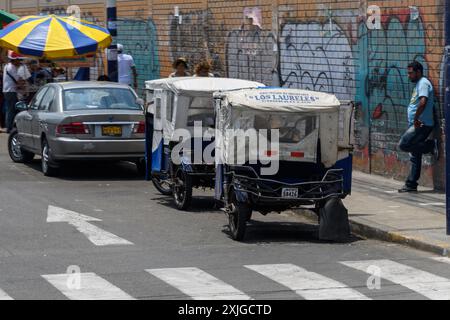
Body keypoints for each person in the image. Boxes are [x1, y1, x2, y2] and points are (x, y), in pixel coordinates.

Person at [397, 61, 439, 193]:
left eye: (411, 73)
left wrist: (416, 119)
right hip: (418, 123)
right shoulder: (419, 84)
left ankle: (430, 146)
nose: (409, 76)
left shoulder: (423, 83)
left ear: (418, 72)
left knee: (403, 145)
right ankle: (411, 184)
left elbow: (423, 102)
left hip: (422, 124)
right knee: (415, 155)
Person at [3, 51, 22, 133]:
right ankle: (9, 128)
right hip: (11, 91)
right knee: (11, 109)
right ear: (14, 60)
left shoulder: (7, 66)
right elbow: (18, 80)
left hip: (7, 90)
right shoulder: (12, 68)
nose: (19, 61)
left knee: (9, 109)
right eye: (18, 60)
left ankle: (9, 126)